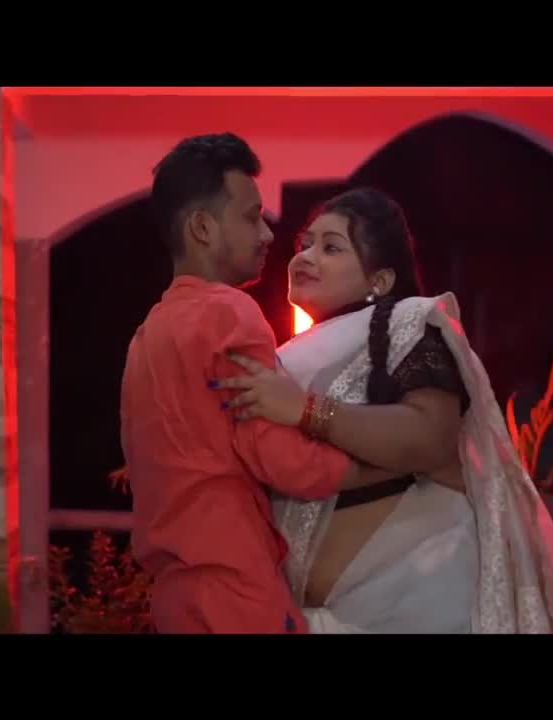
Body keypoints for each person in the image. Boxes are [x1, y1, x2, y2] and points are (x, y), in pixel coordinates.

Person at [212, 187, 553, 633]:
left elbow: (430, 437)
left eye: (331, 247)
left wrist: (305, 410)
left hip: (422, 597)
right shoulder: (290, 356)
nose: (305, 257)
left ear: (380, 281)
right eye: (305, 244)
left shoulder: (409, 325)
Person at [119, 134, 399, 634]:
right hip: (235, 590)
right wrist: (384, 464)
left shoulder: (146, 336)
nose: (268, 234)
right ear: (202, 228)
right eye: (251, 218)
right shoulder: (228, 313)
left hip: (173, 595)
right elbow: (283, 459)